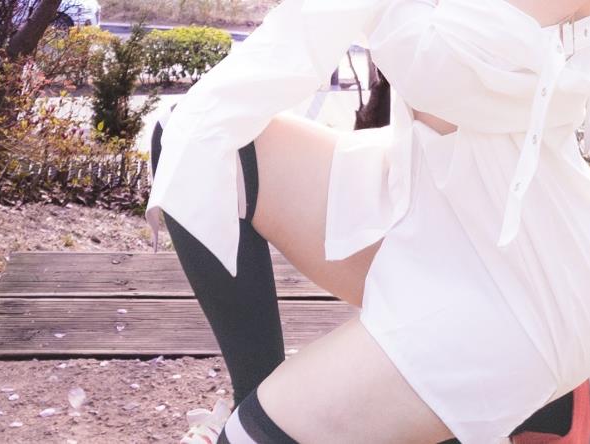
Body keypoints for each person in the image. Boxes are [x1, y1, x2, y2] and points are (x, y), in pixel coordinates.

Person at [146, 0, 590, 442]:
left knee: (249, 438)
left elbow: (437, 65)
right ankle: (257, 397)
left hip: (518, 284)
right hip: (429, 202)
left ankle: (512, 399)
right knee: (198, 138)